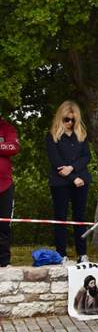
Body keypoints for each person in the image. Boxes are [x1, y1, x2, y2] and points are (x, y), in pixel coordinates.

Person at [45, 100, 92, 264]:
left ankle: (82, 254)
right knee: (60, 218)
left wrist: (72, 168)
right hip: (60, 183)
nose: (70, 123)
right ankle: (61, 254)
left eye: (73, 120)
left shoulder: (82, 135)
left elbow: (86, 157)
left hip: (81, 181)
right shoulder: (52, 137)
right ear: (60, 118)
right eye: (66, 119)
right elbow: (56, 161)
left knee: (80, 217)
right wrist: (72, 177)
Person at [0, 113, 20, 268]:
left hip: (5, 185)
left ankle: (4, 261)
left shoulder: (7, 128)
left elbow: (14, 147)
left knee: (4, 225)